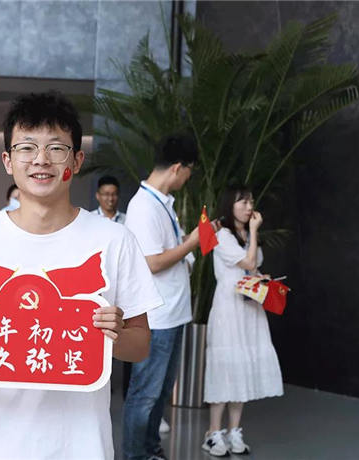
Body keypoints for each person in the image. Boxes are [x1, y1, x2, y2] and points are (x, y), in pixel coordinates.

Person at [0, 91, 163, 459]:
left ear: (77, 160)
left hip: (81, 447)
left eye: (56, 148)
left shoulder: (114, 240)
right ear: (8, 161)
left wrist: (109, 338)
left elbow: (141, 344)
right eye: (26, 147)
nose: (41, 159)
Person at [122, 135, 208, 460]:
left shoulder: (160, 202)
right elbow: (152, 263)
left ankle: (151, 451)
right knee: (145, 393)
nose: (188, 179)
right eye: (189, 172)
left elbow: (165, 250)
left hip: (172, 313)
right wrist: (192, 243)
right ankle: (135, 455)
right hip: (156, 317)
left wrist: (188, 240)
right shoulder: (144, 206)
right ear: (177, 168)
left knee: (158, 394)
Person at [201, 185, 283, 456]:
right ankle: (213, 433)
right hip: (229, 307)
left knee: (242, 366)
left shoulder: (246, 234)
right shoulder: (222, 235)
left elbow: (253, 267)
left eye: (251, 202)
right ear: (230, 205)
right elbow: (248, 263)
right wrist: (255, 232)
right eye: (243, 202)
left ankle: (234, 431)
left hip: (249, 307)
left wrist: (261, 278)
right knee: (225, 367)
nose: (249, 208)